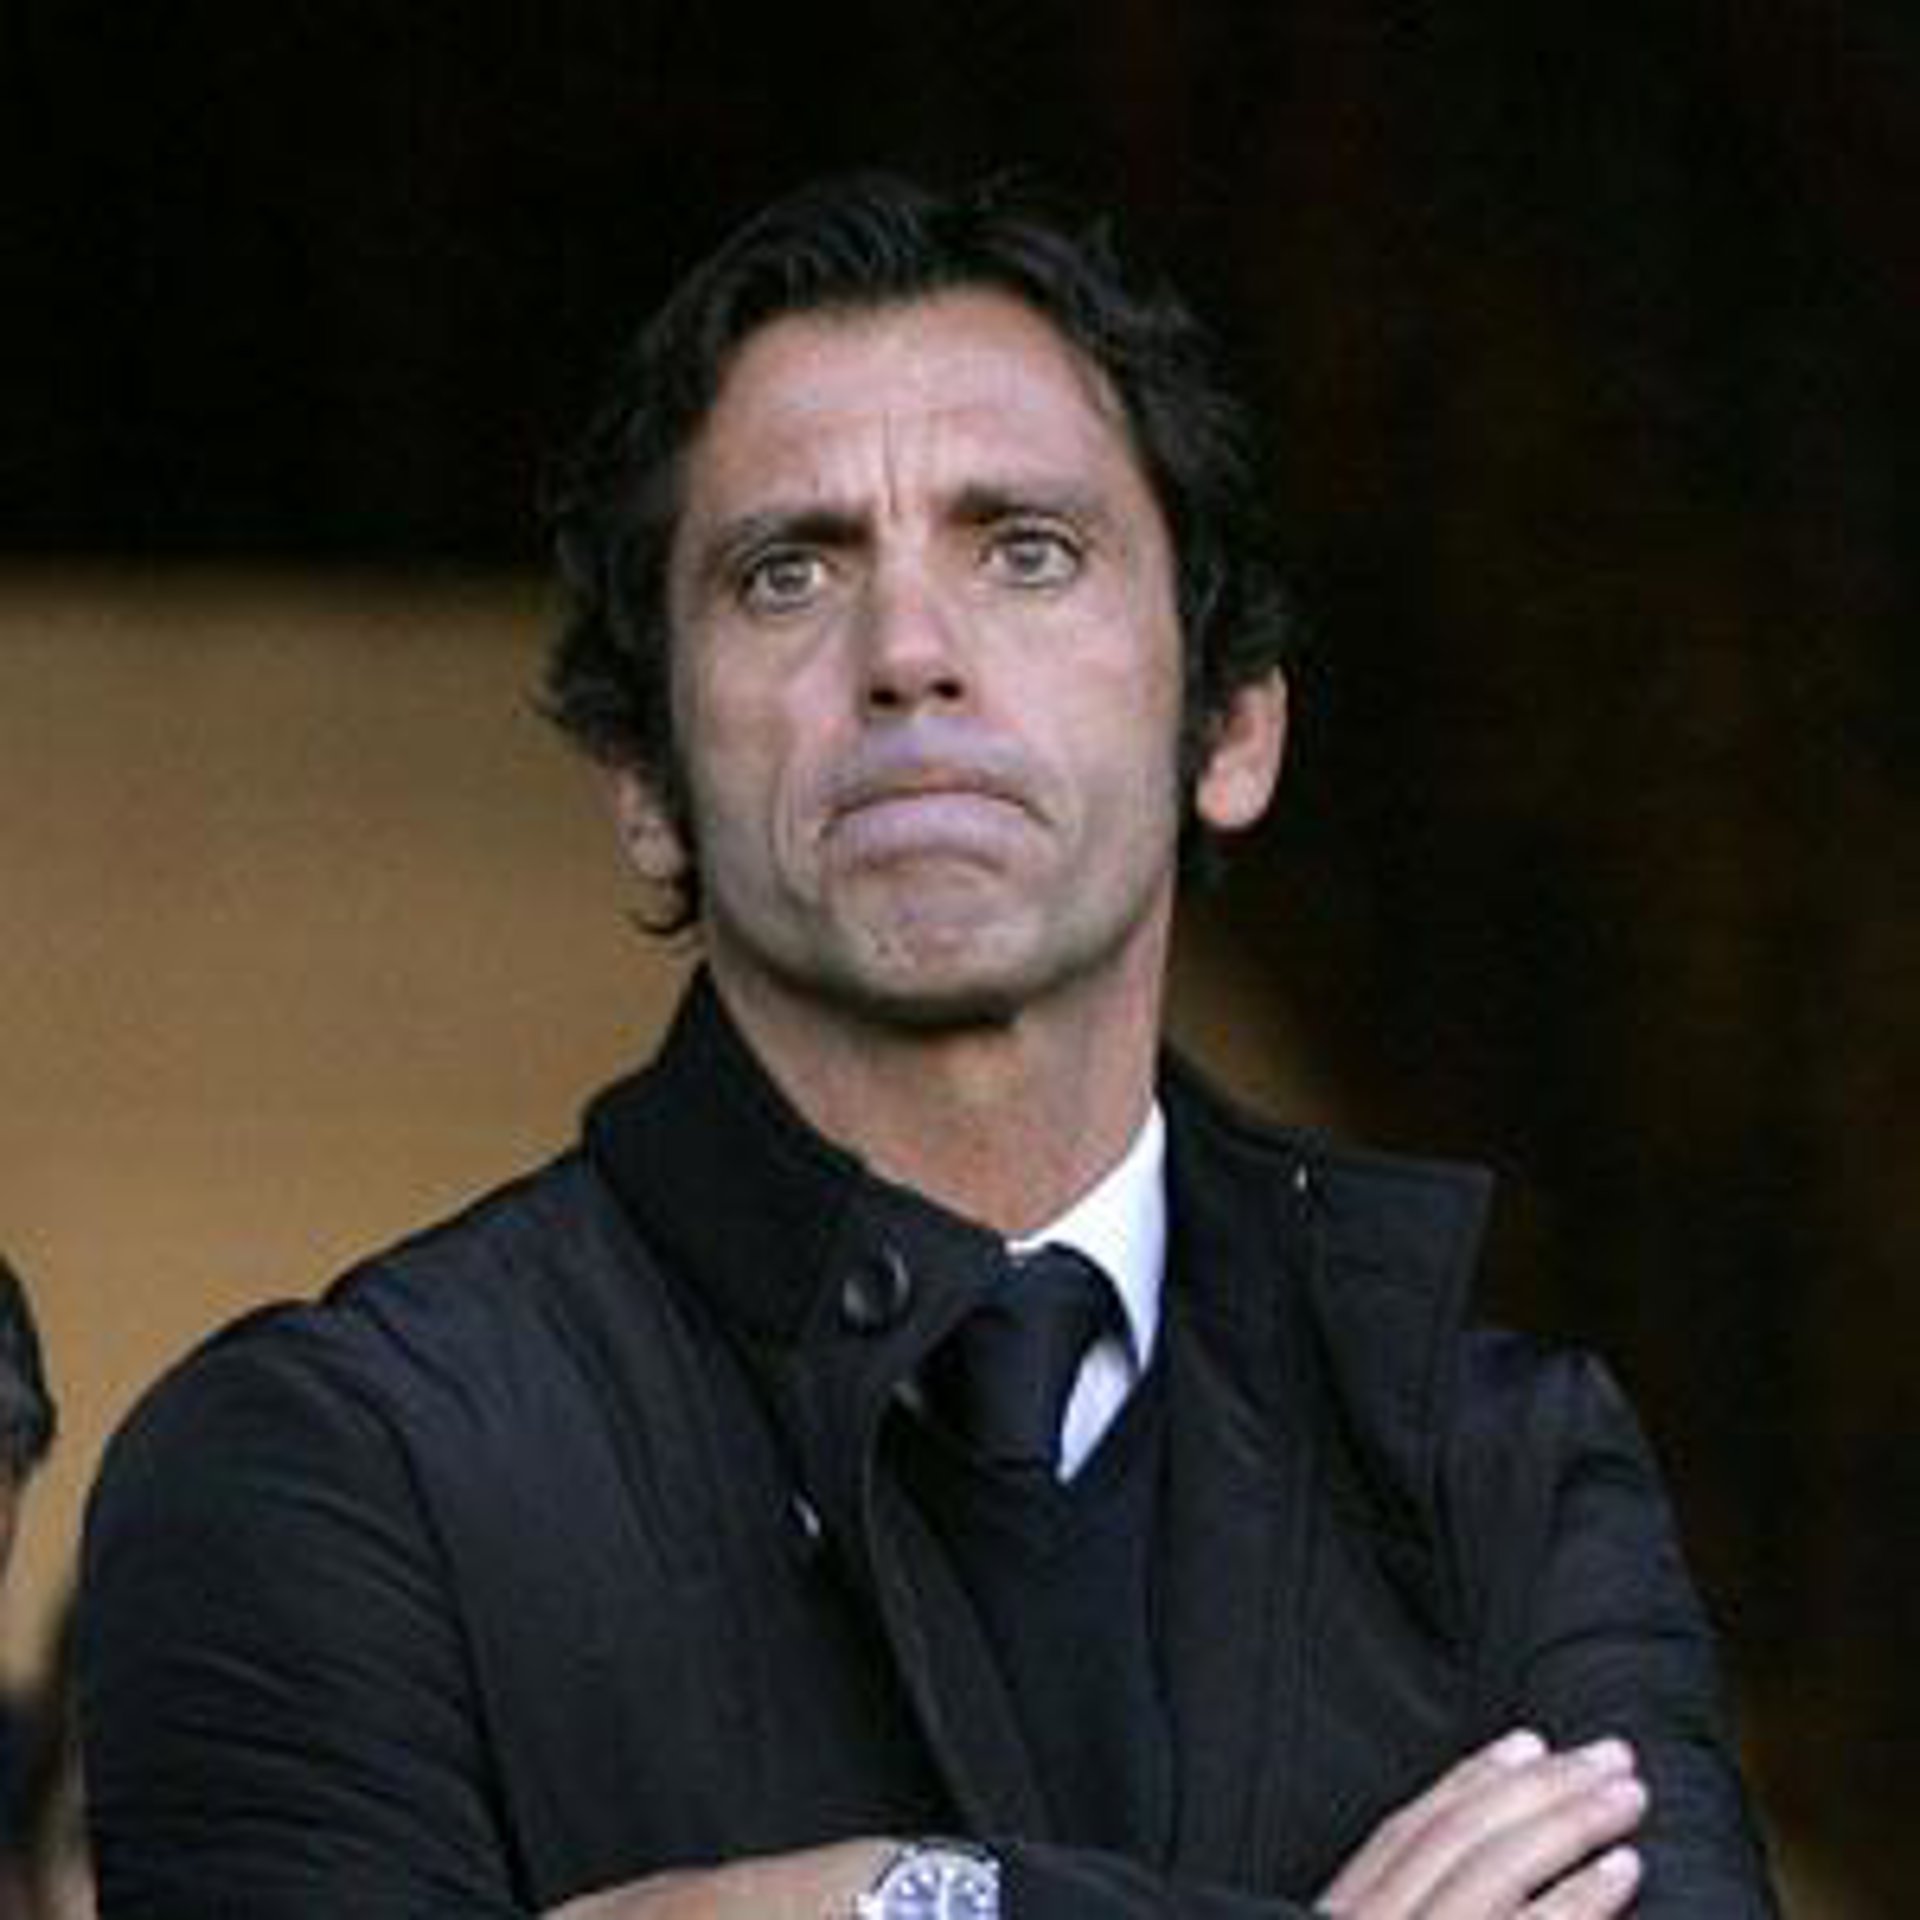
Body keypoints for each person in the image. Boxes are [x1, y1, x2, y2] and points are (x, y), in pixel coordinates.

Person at [77, 173, 1778, 1917]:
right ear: (647, 785)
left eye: (1025, 550)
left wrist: (903, 1898)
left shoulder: (1497, 1470)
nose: (907, 653)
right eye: (787, 573)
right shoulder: (330, 1472)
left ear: (1230, 730)